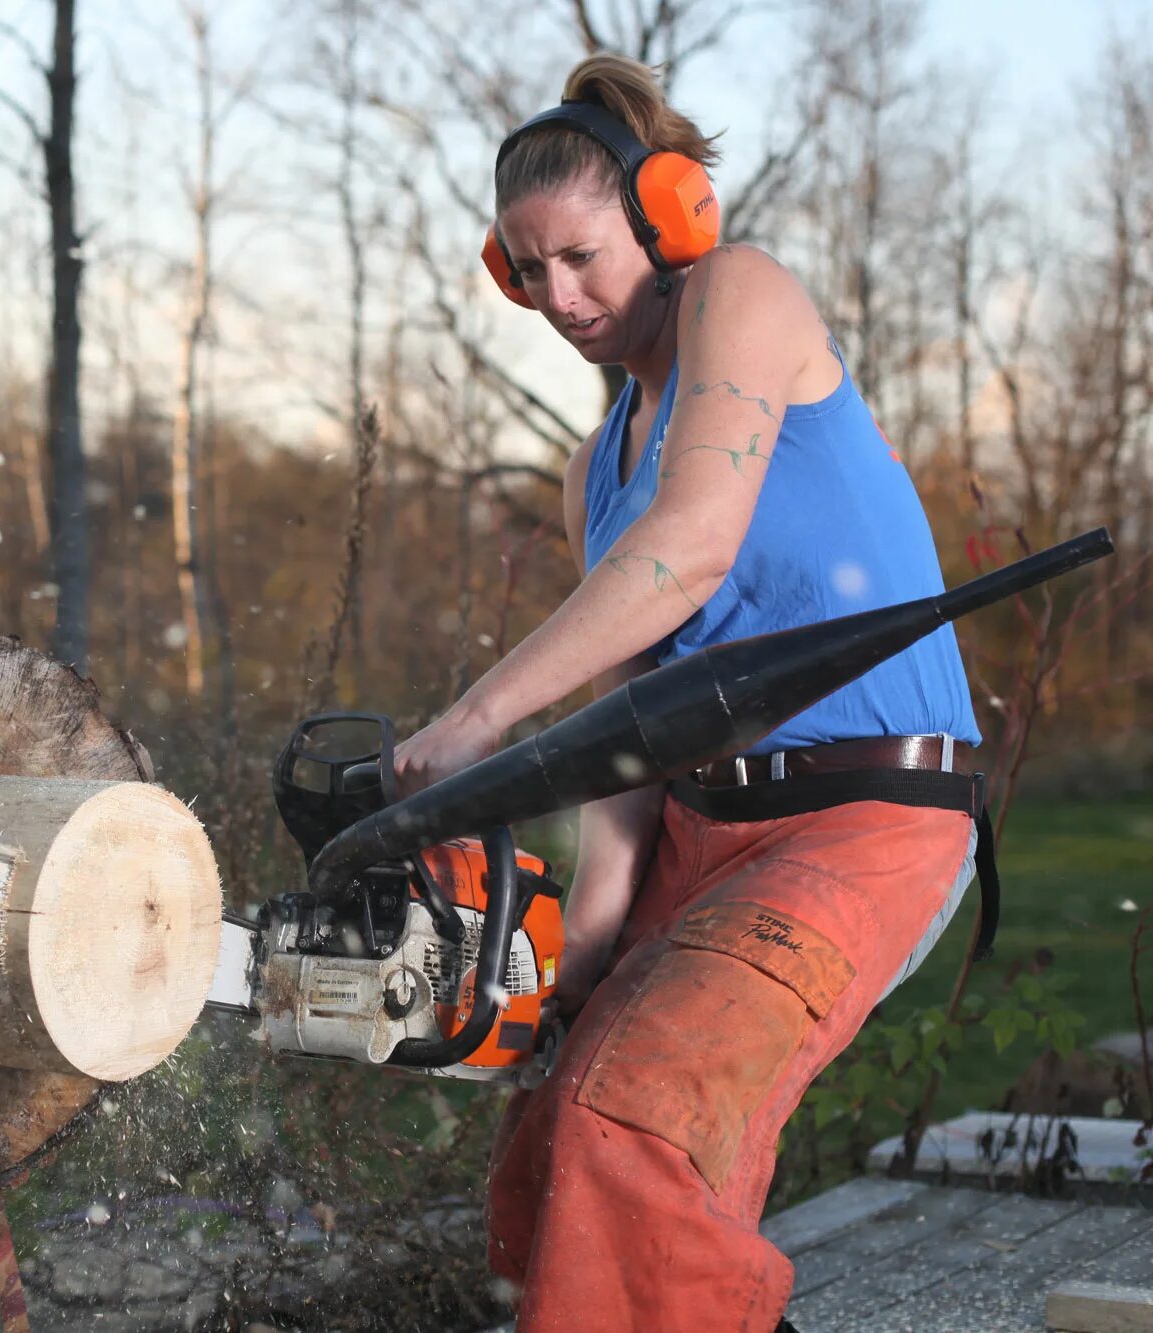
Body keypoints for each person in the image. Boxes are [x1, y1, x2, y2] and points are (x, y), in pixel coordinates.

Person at [391, 54, 984, 1333]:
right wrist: (579, 964)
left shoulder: (742, 293)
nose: (559, 296)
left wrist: (477, 717)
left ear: (665, 218)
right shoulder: (588, 466)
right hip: (698, 832)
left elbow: (694, 544)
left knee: (636, 1114)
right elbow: (623, 754)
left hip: (863, 815)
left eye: (582, 257)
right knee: (549, 1146)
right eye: (526, 268)